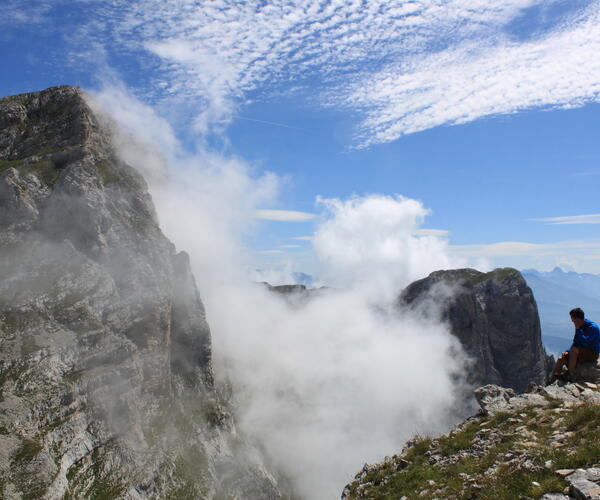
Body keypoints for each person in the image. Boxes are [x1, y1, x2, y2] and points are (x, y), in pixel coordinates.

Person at [551, 308, 600, 382]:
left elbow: (585, 343)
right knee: (561, 359)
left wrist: (578, 330)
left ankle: (571, 376)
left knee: (574, 350)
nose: (573, 322)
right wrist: (568, 351)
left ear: (578, 319)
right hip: (580, 353)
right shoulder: (580, 326)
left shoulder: (593, 328)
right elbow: (576, 342)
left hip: (592, 354)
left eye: (573, 320)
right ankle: (551, 381)